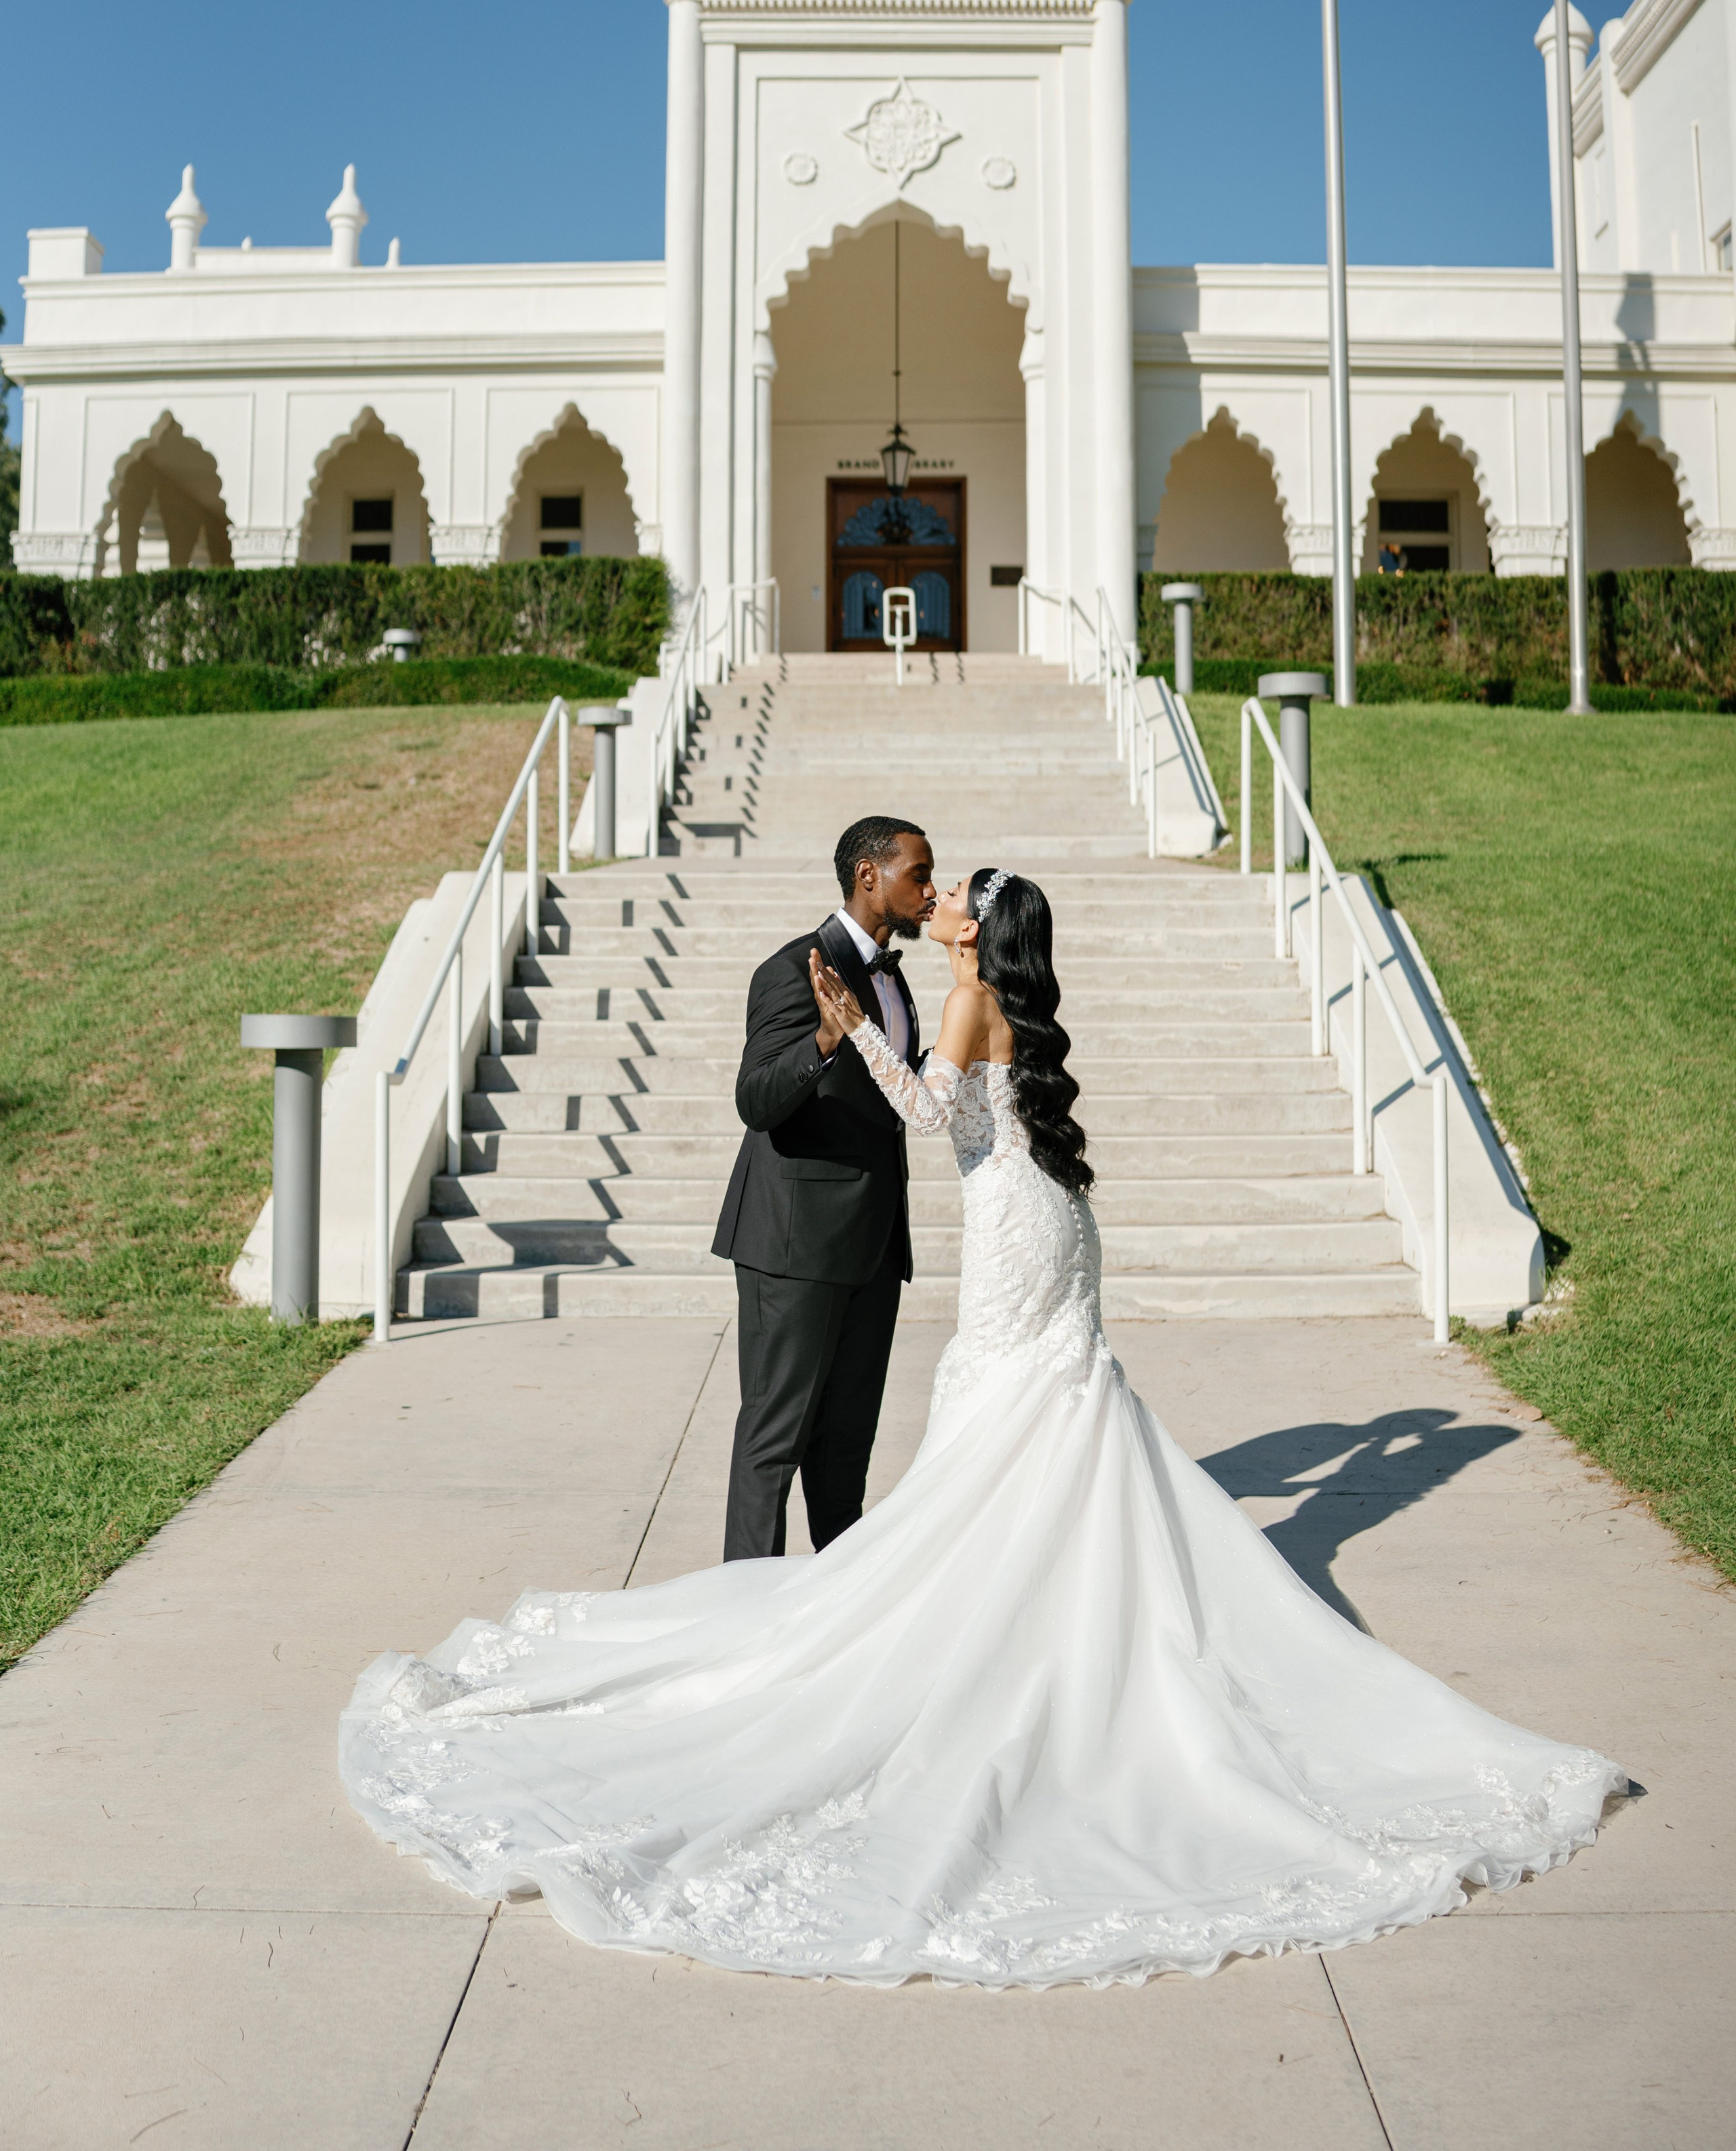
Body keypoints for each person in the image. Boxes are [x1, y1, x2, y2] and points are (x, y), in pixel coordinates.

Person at [338, 866, 1624, 1988]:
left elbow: (925, 1117)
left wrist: (858, 1038)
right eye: (934, 884)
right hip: (1056, 1226)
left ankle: (973, 1624)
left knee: (998, 1406)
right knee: (1055, 1413)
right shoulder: (1010, 1003)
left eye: (959, 893)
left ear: (977, 931)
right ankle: (1048, 1605)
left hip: (1013, 1232)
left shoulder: (961, 999)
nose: (941, 897)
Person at [709, 814, 935, 1560]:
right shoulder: (795, 968)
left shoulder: (893, 977)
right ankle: (743, 1615)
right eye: (918, 875)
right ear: (869, 876)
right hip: (794, 1243)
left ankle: (837, 1625)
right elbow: (756, 1099)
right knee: (773, 1443)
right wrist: (823, 1040)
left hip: (871, 1248)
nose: (929, 891)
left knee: (845, 1454)